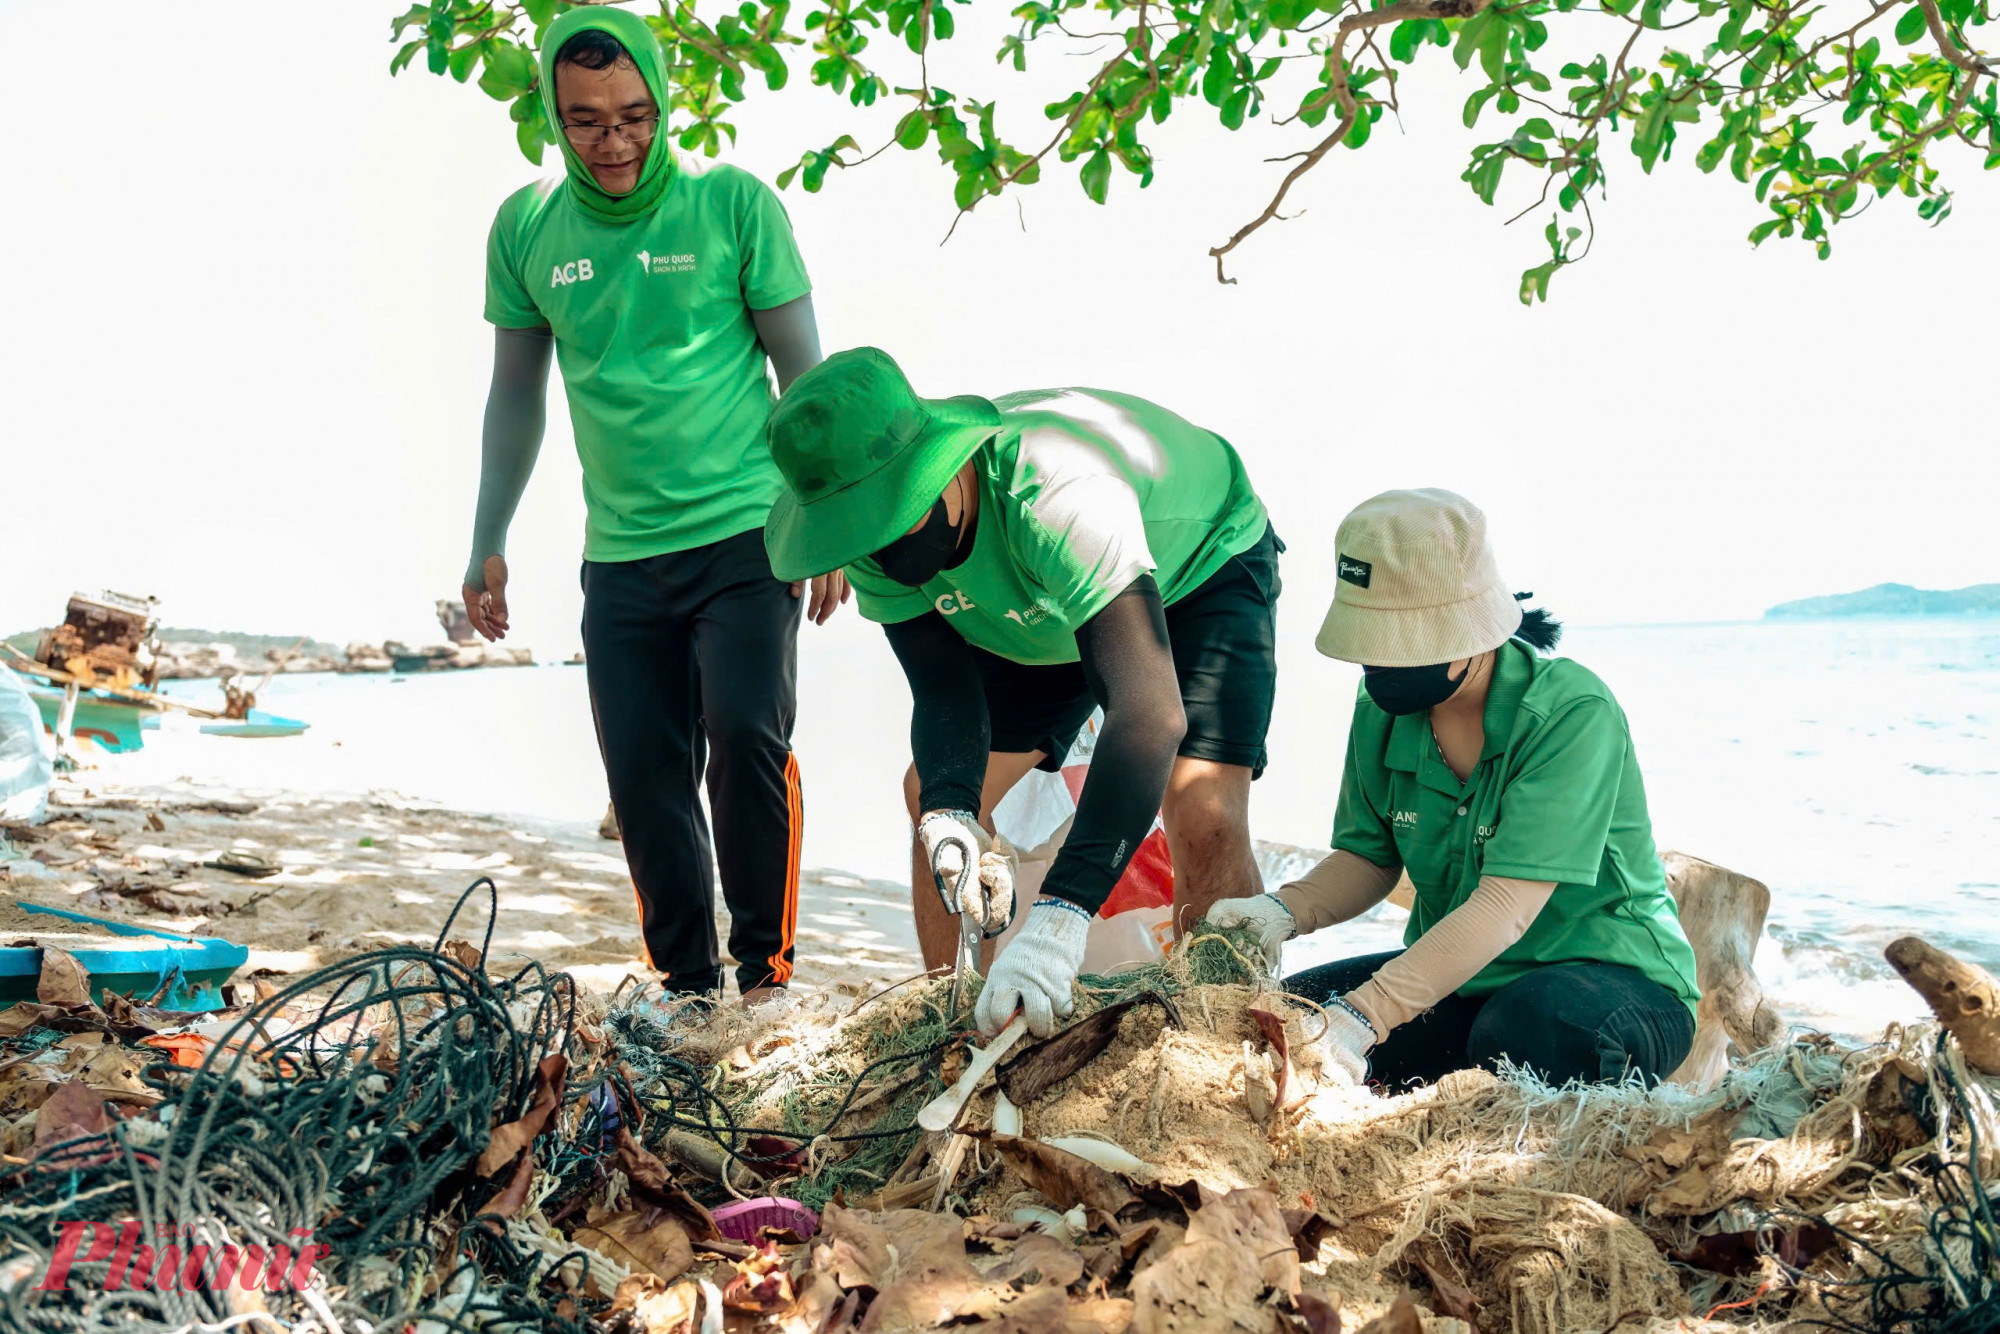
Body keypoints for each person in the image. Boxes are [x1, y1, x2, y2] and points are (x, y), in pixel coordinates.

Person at [461, 8, 848, 1001]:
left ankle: (764, 972)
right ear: (552, 111)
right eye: (586, 120)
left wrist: (830, 512)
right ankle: (687, 983)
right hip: (623, 551)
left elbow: (804, 376)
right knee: (640, 772)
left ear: (664, 105)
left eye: (634, 114)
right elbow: (515, 392)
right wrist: (486, 538)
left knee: (746, 736)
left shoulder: (732, 206)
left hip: (746, 532)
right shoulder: (526, 227)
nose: (615, 140)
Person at [760, 347, 1282, 1037]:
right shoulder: (866, 539)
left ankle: (1223, 1037)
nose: (879, 553)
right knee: (931, 798)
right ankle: (948, 1018)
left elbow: (1149, 714)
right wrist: (952, 816)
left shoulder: (1059, 495)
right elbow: (944, 691)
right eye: (862, 532)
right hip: (1040, 612)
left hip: (1197, 567)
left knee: (1201, 810)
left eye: (893, 519)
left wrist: (1059, 918)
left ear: (939, 469)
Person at [1207, 489, 1699, 1088]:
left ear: (1471, 633)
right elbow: (1369, 859)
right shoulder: (1381, 709)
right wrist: (1281, 911)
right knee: (1276, 1024)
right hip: (1467, 978)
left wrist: (1364, 1016)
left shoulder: (1571, 713)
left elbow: (1505, 909)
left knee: (1529, 1033)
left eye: (1397, 642)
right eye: (1369, 644)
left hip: (1610, 982)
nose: (1377, 664)